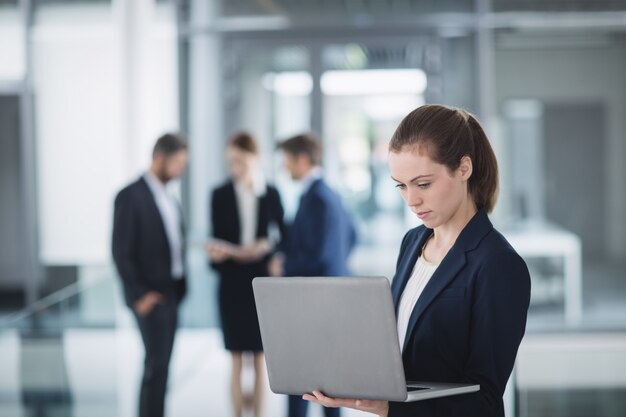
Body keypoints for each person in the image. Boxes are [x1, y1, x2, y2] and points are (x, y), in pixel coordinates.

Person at [302, 104, 531, 417]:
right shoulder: (413, 242)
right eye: (401, 185)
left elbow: (485, 403)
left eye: (423, 184)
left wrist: (390, 407)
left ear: (464, 169)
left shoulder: (498, 264)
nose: (411, 200)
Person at [272, 133, 357, 417]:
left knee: (303, 376)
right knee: (325, 380)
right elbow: (352, 236)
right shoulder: (328, 193)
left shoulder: (317, 197)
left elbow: (316, 253)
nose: (284, 168)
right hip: (329, 296)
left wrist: (283, 266)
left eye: (286, 161)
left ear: (302, 159)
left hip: (315, 298)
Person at [112, 133, 189, 417]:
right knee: (155, 367)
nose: (182, 170)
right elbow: (121, 252)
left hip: (172, 293)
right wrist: (138, 296)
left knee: (162, 367)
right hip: (150, 296)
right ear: (159, 158)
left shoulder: (168, 197)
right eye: (178, 163)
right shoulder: (130, 196)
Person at [208, 131, 284, 417]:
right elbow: (216, 239)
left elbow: (284, 237)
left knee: (260, 359)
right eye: (229, 162)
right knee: (236, 359)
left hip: (261, 285)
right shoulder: (220, 194)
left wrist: (273, 253)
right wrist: (217, 255)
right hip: (231, 285)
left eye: (239, 161)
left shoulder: (271, 193)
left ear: (254, 159)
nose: (233, 168)